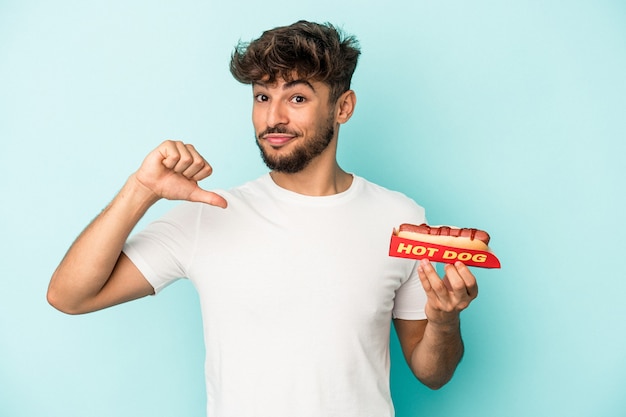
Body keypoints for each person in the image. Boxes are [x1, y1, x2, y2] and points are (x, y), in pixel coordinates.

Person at [47, 20, 478, 417]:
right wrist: (141, 190)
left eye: (296, 97)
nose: (273, 117)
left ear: (343, 107)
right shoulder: (211, 215)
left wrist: (444, 319)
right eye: (261, 97)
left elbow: (431, 374)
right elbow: (70, 296)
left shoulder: (399, 218)